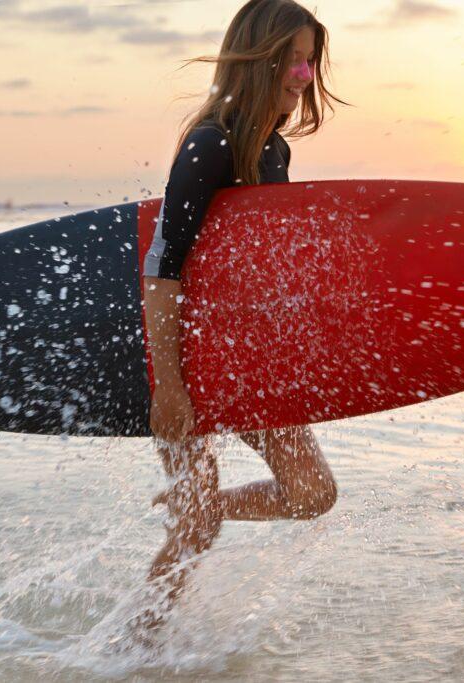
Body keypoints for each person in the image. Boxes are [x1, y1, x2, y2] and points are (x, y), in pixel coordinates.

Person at [138, 0, 350, 629]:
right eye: (290, 60)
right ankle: (134, 655)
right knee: (195, 531)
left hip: (240, 358)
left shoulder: (273, 149)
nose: (301, 76)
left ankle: (201, 507)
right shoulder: (210, 145)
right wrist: (169, 387)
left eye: (309, 62)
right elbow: (161, 264)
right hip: (179, 356)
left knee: (312, 493)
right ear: (258, 62)